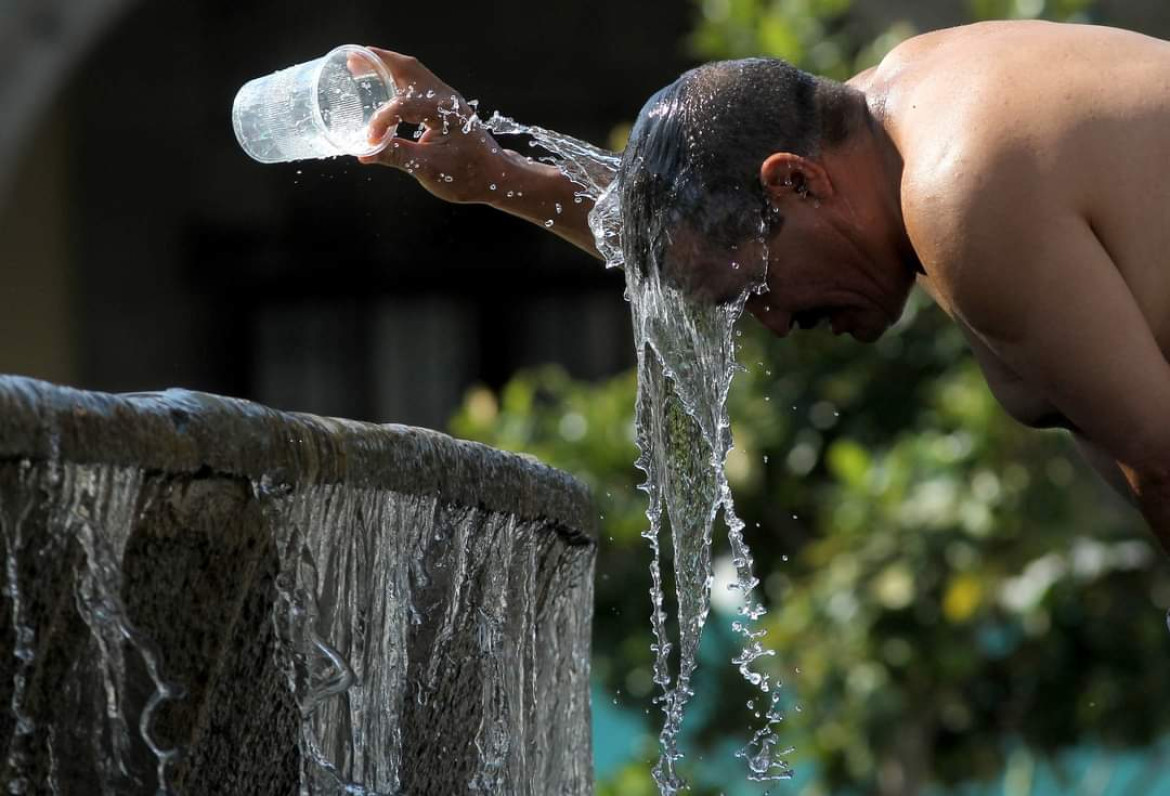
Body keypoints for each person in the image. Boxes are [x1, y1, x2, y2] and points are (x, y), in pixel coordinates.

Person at [355, 20, 1170, 549]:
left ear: (799, 184)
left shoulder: (960, 193)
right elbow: (702, 226)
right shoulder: (900, 107)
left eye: (756, 293)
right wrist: (495, 173)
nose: (774, 324)